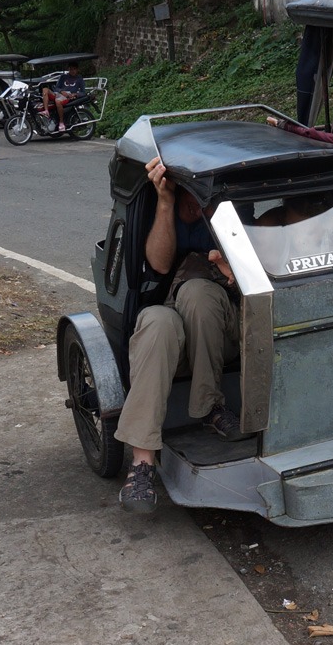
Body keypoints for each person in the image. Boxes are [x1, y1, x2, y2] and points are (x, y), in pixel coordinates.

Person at [114, 155, 244, 513]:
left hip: (227, 327)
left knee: (198, 292)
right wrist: (167, 202)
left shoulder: (227, 215)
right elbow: (158, 263)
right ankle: (141, 462)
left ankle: (208, 404)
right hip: (176, 329)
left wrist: (226, 265)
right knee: (157, 320)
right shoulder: (167, 205)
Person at [42, 62, 91, 132]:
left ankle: (61, 123)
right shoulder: (63, 77)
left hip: (69, 96)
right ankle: (46, 111)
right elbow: (56, 88)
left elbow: (83, 92)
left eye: (74, 69)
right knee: (45, 90)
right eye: (71, 69)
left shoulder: (79, 79)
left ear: (77, 70)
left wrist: (75, 94)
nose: (72, 71)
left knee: (58, 101)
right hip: (59, 93)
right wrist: (61, 91)